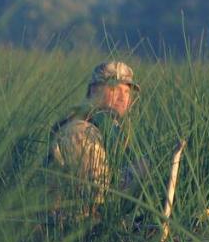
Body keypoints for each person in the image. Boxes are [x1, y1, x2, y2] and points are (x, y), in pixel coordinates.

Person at [47, 61, 143, 221]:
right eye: (114, 89)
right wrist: (138, 174)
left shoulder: (110, 128)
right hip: (71, 229)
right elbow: (93, 196)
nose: (122, 97)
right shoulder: (81, 131)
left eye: (127, 91)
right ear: (94, 90)